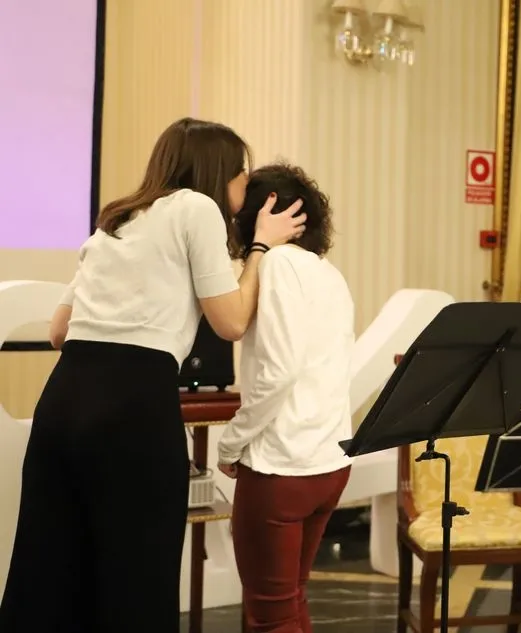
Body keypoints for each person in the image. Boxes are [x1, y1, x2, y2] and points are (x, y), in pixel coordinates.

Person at [0, 118, 305, 633]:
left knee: (50, 570)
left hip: (64, 400)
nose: (243, 187)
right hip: (133, 406)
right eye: (242, 174)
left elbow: (58, 331)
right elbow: (231, 321)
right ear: (219, 172)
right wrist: (260, 247)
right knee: (137, 579)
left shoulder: (117, 219)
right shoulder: (197, 208)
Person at [216, 163, 354, 633]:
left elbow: (278, 372)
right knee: (291, 600)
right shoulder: (328, 272)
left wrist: (231, 443)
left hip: (282, 467)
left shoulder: (275, 265)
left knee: (270, 615)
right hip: (330, 462)